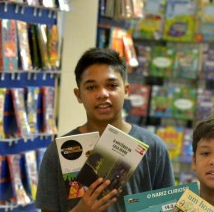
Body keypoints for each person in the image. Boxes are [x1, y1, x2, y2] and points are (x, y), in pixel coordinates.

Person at [35, 48, 175, 212]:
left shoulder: (153, 147)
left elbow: (169, 207)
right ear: (78, 94)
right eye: (91, 87)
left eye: (112, 85)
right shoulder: (59, 151)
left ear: (127, 90)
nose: (102, 94)